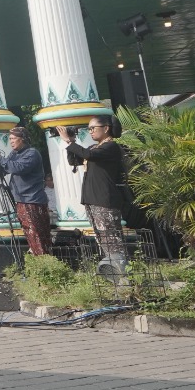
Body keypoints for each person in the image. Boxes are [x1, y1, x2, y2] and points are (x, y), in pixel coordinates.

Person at [61, 114, 129, 275]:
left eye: (93, 128)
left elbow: (89, 156)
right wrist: (72, 143)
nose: (90, 131)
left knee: (111, 238)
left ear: (106, 128)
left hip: (105, 200)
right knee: (102, 238)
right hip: (92, 200)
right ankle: (113, 273)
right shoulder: (94, 147)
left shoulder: (111, 146)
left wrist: (70, 142)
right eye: (89, 129)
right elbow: (75, 160)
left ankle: (123, 273)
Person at [0, 127, 52, 255]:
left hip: (33, 200)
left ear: (23, 139)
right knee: (29, 233)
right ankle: (38, 259)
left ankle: (43, 260)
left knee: (36, 233)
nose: (11, 142)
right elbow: (4, 170)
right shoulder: (14, 154)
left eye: (14, 138)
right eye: (10, 139)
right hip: (21, 199)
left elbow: (18, 168)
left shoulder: (32, 153)